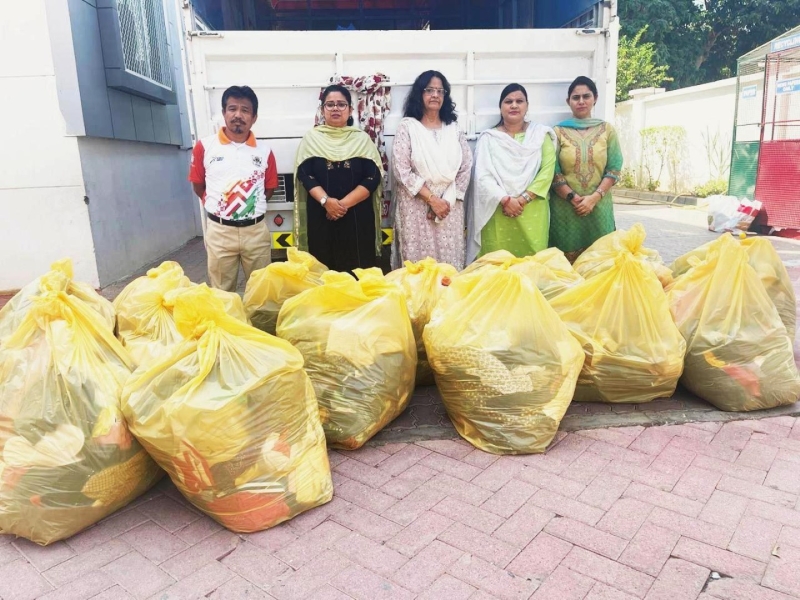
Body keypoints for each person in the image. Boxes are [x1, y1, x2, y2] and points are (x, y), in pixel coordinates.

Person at [189, 85, 276, 292]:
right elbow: (198, 185)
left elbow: (269, 188)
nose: (238, 115)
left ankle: (258, 315)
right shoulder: (205, 146)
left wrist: (248, 209)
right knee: (221, 293)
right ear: (224, 113)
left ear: (254, 117)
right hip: (220, 233)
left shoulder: (264, 151)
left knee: (261, 291)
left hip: (255, 232)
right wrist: (220, 209)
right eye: (232, 108)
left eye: (245, 110)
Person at [294, 85, 384, 273]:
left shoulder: (361, 139)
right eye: (330, 104)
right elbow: (305, 174)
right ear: (322, 110)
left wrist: (341, 205)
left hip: (357, 219)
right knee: (323, 270)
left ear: (350, 110)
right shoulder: (311, 139)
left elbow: (373, 177)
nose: (335, 108)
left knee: (358, 271)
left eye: (341, 104)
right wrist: (326, 202)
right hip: (321, 217)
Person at [392, 70, 473, 270]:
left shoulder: (453, 129)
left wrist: (445, 202)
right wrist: (432, 200)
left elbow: (466, 166)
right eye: (429, 90)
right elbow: (401, 170)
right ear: (419, 94)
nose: (435, 95)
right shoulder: (408, 127)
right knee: (419, 266)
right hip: (416, 207)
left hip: (449, 207)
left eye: (440, 91)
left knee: (448, 265)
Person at [467, 83, 557, 262]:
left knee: (532, 263)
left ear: (527, 106)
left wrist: (522, 199)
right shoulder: (489, 138)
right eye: (508, 101)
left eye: (519, 101)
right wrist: (506, 200)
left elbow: (547, 171)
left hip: (532, 209)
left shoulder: (540, 135)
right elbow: (482, 176)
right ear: (500, 107)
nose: (514, 105)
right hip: (497, 209)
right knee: (496, 262)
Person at [550, 76, 623, 262]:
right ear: (568, 101)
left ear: (595, 98)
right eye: (576, 97)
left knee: (601, 261)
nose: (581, 101)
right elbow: (553, 171)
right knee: (566, 265)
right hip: (565, 209)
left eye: (586, 96)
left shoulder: (607, 130)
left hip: (599, 207)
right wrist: (574, 199)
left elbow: (614, 168)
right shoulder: (557, 132)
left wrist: (593, 198)